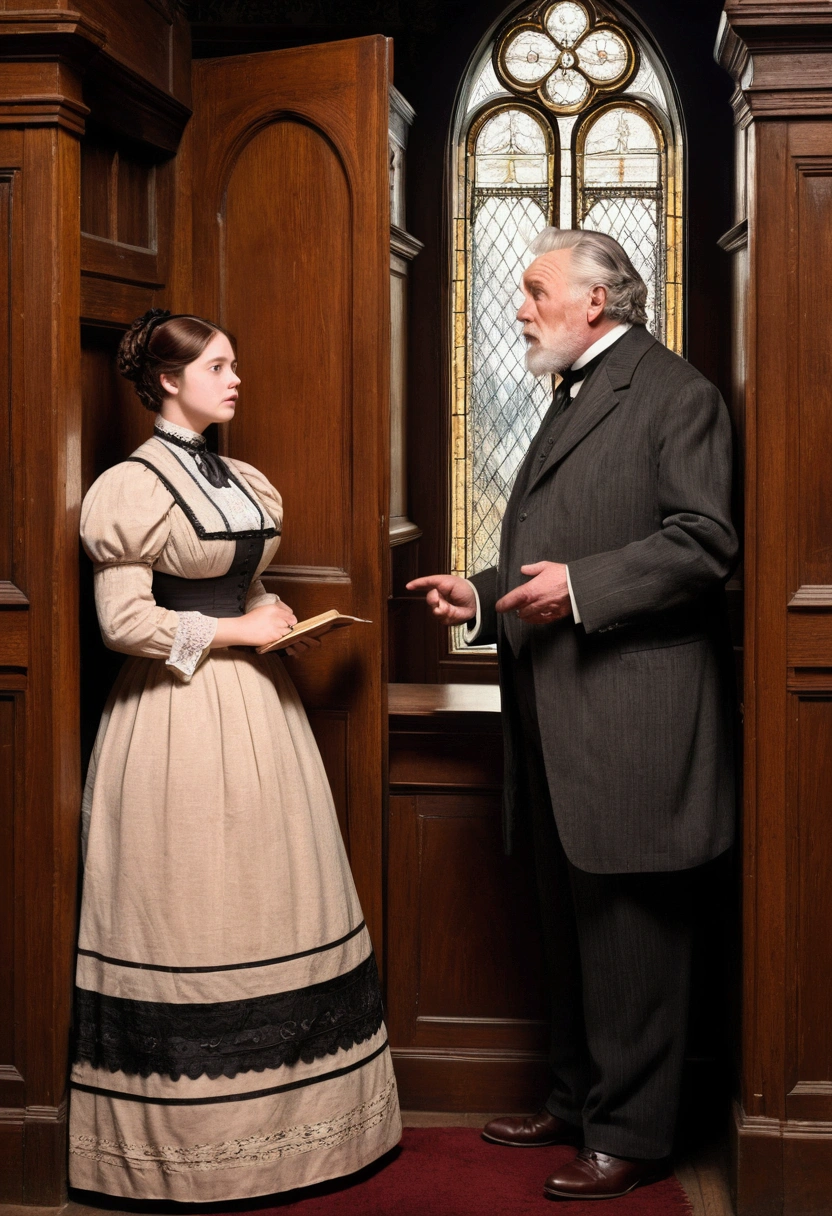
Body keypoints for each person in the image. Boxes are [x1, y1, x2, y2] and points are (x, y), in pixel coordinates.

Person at [408, 228, 737, 1200]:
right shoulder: (576, 389)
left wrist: (581, 589)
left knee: (633, 940)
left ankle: (631, 1132)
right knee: (569, 929)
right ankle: (576, 1097)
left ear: (594, 301)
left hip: (633, 729)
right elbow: (567, 540)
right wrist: (483, 595)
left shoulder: (677, 395)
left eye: (532, 288)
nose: (517, 305)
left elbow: (703, 543)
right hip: (558, 723)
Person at [69, 309, 401, 1202]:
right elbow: (123, 623)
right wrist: (236, 629)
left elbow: (241, 578)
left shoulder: (236, 475)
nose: (236, 377)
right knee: (193, 905)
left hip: (259, 709)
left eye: (236, 363)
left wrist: (275, 618)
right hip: (176, 721)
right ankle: (193, 1149)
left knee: (274, 890)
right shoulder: (129, 486)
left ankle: (301, 1140)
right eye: (218, 365)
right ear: (169, 381)